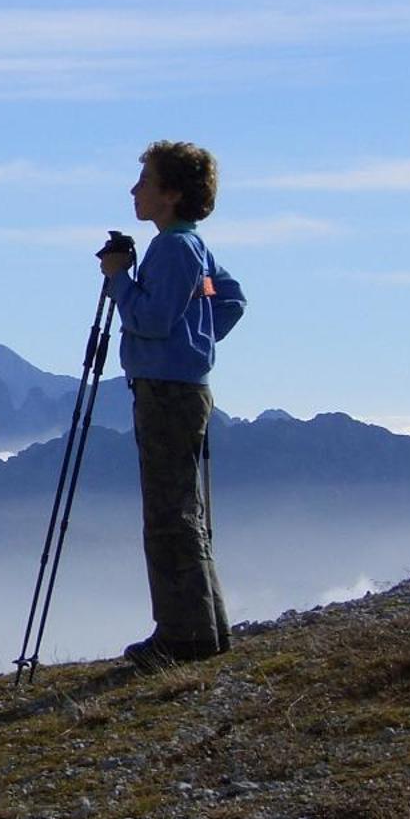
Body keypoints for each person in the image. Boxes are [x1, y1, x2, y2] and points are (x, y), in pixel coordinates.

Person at [98, 140, 248, 672]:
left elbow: (151, 319)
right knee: (183, 508)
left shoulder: (172, 249)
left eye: (145, 181)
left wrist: (118, 278)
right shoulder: (192, 245)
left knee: (167, 513)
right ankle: (206, 628)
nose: (134, 190)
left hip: (164, 389)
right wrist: (200, 341)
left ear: (171, 194)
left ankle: (180, 634)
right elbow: (229, 300)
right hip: (187, 384)